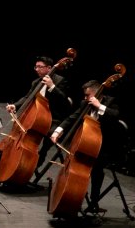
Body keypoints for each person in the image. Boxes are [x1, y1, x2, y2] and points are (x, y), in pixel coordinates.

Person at [50, 79, 122, 214]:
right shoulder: (85, 103)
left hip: (105, 146)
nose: (84, 97)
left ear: (96, 94)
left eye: (87, 95)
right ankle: (70, 197)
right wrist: (57, 131)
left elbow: (116, 116)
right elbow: (72, 117)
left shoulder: (111, 102)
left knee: (96, 170)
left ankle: (94, 202)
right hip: (85, 143)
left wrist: (99, 106)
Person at [5, 56, 72, 181]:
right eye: (36, 67)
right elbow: (27, 97)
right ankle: (17, 165)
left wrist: (52, 87)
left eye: (40, 67)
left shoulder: (60, 81)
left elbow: (65, 102)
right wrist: (15, 105)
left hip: (54, 119)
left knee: (46, 141)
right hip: (37, 118)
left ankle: (33, 165)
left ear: (49, 68)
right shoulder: (36, 82)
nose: (37, 69)